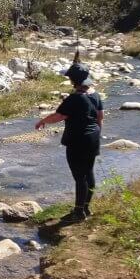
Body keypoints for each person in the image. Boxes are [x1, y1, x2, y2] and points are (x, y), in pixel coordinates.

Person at [35, 61, 103, 224]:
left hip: (77, 140)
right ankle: (86, 207)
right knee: (89, 173)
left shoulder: (74, 98)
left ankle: (78, 212)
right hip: (93, 137)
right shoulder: (95, 95)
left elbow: (58, 116)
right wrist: (97, 135)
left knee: (80, 177)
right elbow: (100, 117)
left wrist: (42, 120)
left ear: (73, 80)